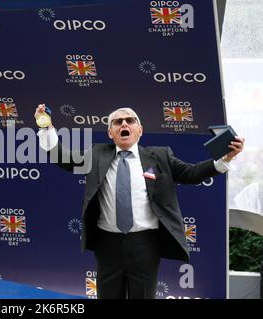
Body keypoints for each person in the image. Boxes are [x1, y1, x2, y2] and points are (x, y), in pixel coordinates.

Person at [34, 104, 245, 299]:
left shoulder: (161, 156)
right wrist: (47, 127)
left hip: (145, 244)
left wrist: (225, 159)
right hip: (107, 245)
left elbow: (191, 173)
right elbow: (63, 158)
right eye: (117, 122)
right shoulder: (96, 155)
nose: (124, 124)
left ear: (140, 130)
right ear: (110, 133)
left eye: (130, 120)